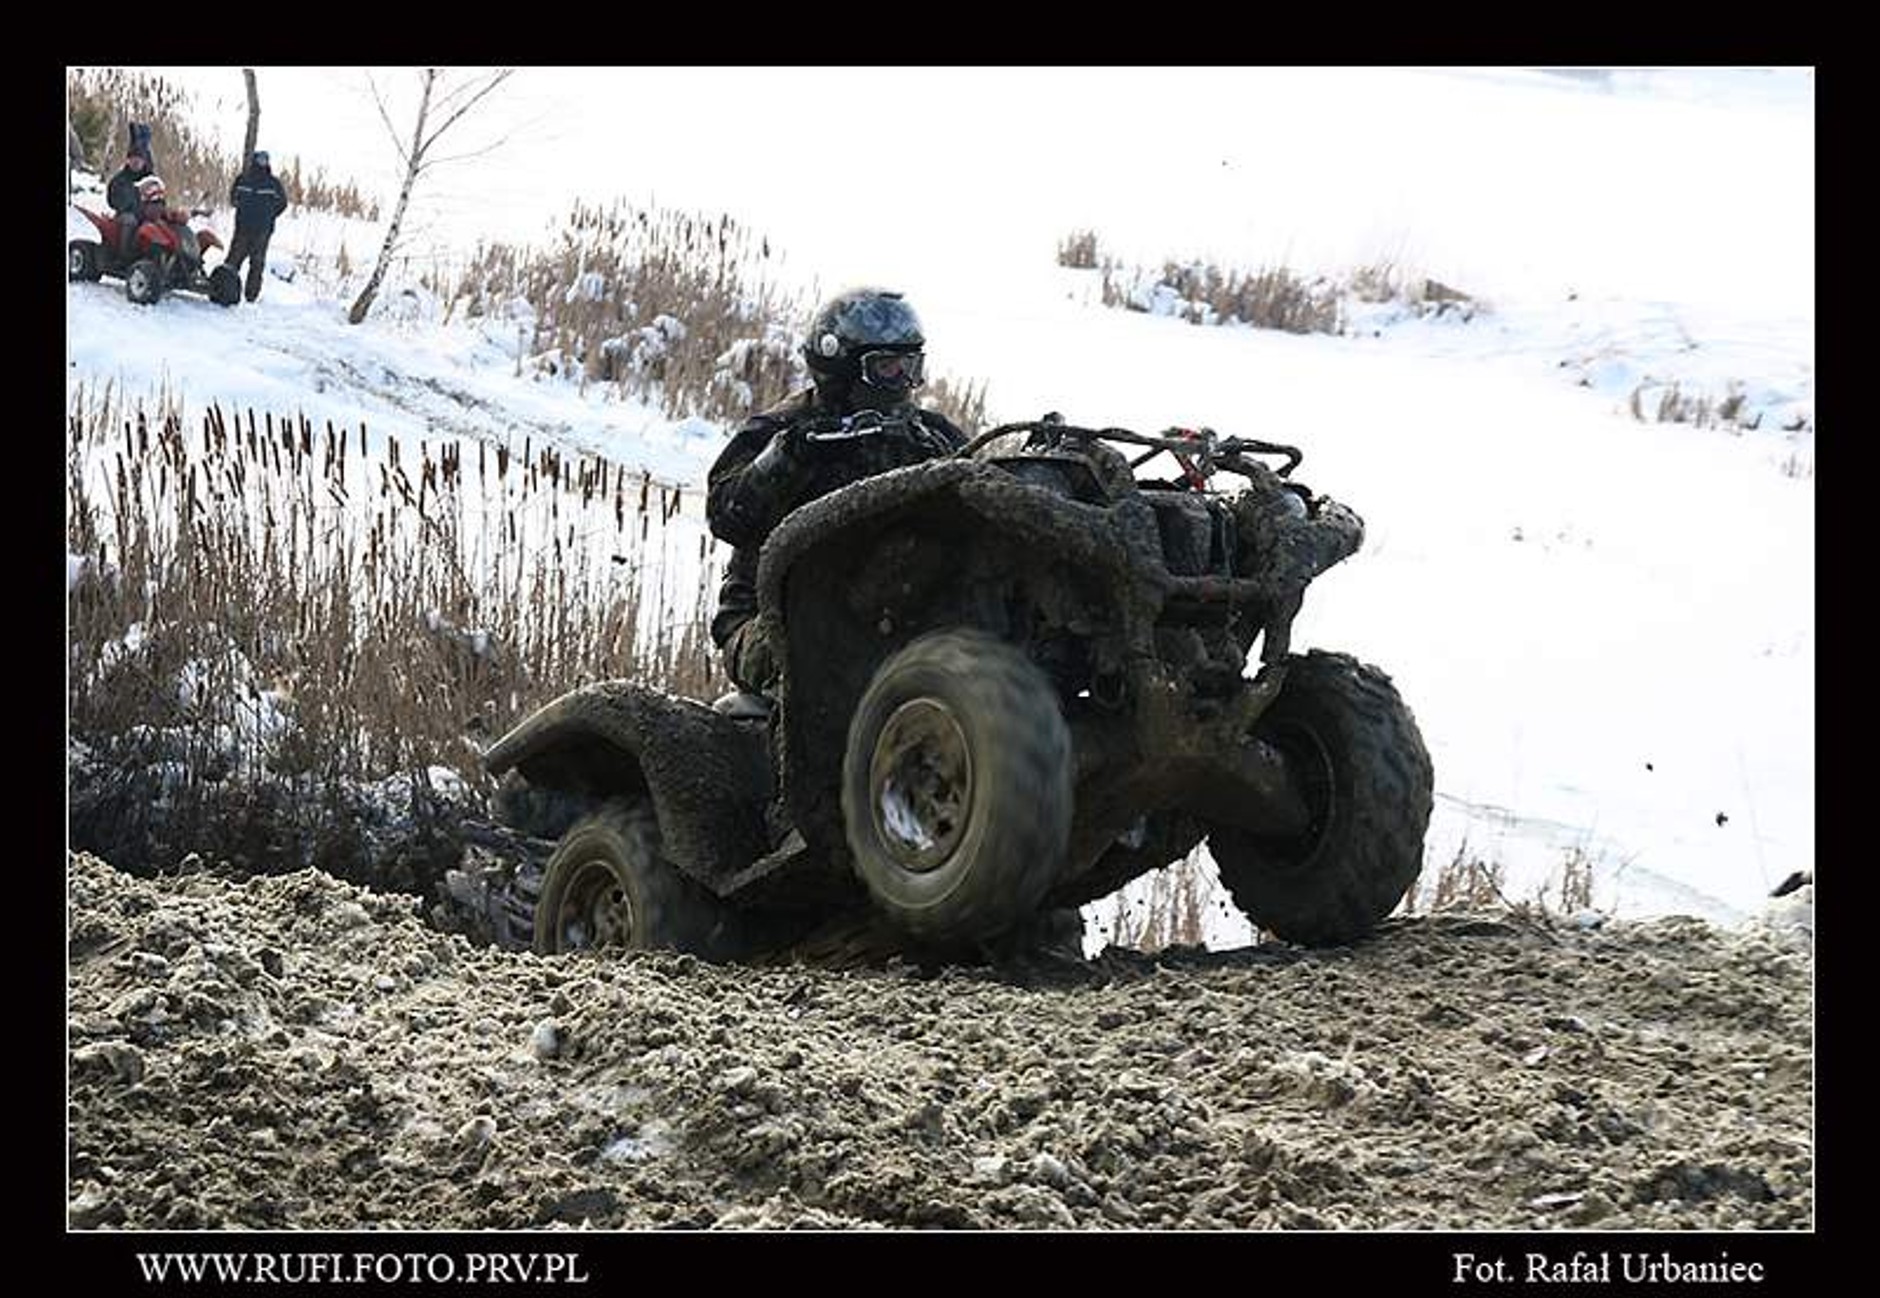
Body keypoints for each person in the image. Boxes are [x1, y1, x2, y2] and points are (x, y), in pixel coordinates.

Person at [706, 287, 967, 694]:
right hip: (772, 620)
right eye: (888, 367)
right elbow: (725, 515)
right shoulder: (783, 430)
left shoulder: (933, 435)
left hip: (896, 618)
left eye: (911, 365)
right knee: (829, 660)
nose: (904, 380)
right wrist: (789, 458)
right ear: (841, 366)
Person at [225, 150, 290, 303]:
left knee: (257, 263)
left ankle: (251, 296)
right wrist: (242, 208)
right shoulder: (243, 179)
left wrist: (269, 216)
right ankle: (225, 290)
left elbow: (282, 204)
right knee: (234, 260)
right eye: (260, 159)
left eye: (265, 160)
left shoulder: (274, 183)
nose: (262, 162)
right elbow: (233, 198)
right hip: (243, 228)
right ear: (254, 161)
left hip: (262, 230)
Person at [105, 150, 152, 261]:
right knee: (130, 221)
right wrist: (126, 205)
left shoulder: (150, 179)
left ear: (144, 161)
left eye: (139, 159)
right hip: (126, 214)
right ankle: (124, 256)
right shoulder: (119, 179)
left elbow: (159, 195)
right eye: (133, 159)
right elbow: (112, 199)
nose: (136, 162)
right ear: (128, 160)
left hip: (147, 214)